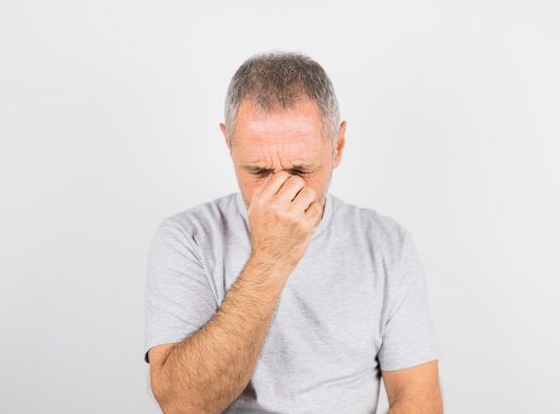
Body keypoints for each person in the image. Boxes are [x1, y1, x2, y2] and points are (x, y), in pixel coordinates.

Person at [144, 51, 443, 414]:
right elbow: (182, 404)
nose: (280, 193)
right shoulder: (186, 237)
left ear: (338, 146)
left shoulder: (387, 243)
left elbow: (417, 398)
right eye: (258, 171)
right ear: (228, 144)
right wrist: (270, 258)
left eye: (301, 170)